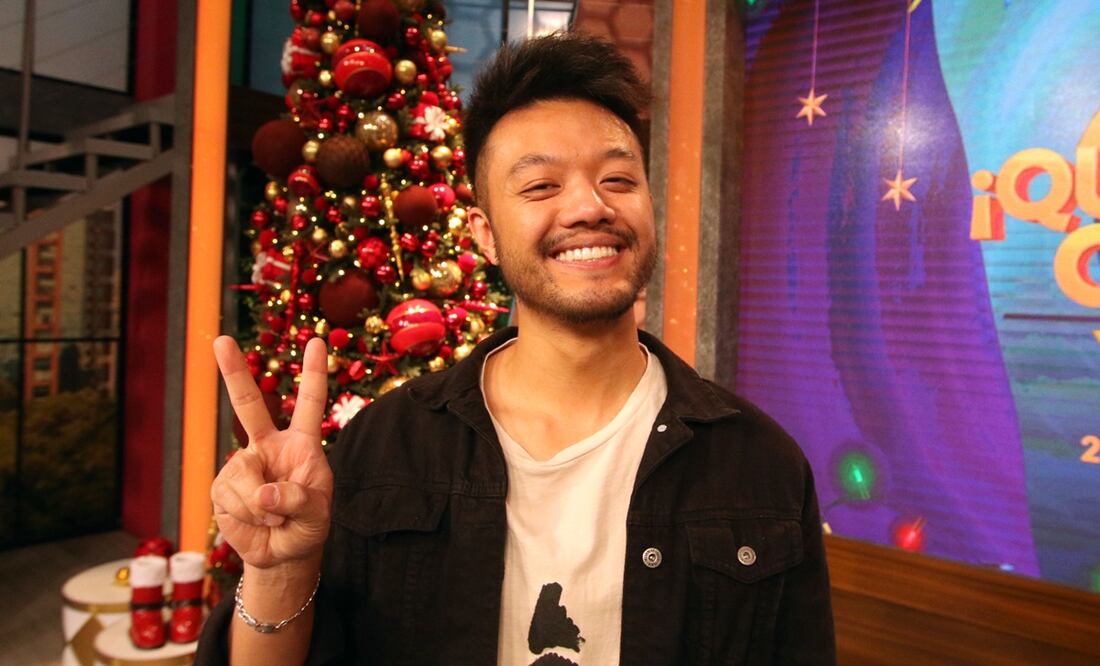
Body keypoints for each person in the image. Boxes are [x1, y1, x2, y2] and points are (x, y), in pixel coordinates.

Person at [197, 33, 834, 665]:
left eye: (618, 179)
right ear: (485, 234)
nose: (589, 207)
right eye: (540, 187)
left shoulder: (759, 466)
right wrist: (280, 570)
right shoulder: (386, 447)